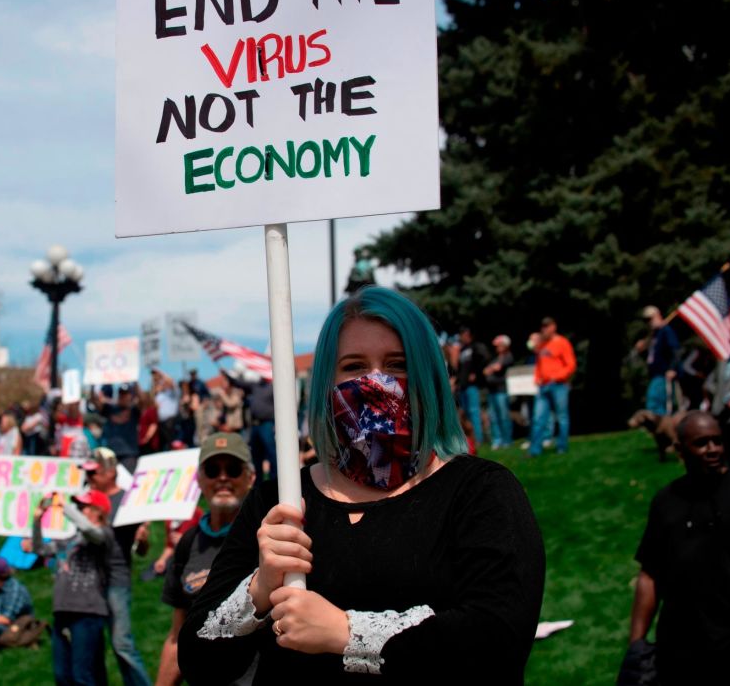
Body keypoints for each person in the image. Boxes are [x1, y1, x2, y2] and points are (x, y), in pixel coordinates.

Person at [178, 286, 545, 683]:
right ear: (326, 383)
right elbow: (200, 661)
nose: (375, 382)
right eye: (353, 366)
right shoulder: (279, 500)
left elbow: (498, 645)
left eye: (397, 365)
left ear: (427, 378)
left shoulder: (480, 491)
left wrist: (344, 632)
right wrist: (260, 587)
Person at [627, 411, 730, 683]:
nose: (713, 449)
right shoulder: (666, 502)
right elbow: (650, 573)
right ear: (680, 449)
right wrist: (637, 645)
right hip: (681, 646)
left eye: (717, 441)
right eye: (702, 443)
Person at [157, 432, 256, 686]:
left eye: (233, 469)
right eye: (212, 470)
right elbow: (177, 637)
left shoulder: (265, 538)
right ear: (199, 480)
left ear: (250, 477)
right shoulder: (188, 543)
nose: (222, 478)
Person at [83, 448, 152, 686]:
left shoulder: (126, 500)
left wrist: (142, 539)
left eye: (94, 473)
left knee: (121, 644)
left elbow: (142, 551)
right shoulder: (86, 498)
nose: (89, 478)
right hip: (89, 580)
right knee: (93, 645)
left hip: (116, 578)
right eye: (88, 474)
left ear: (111, 472)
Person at [32, 489, 115, 686]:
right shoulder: (69, 540)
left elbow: (91, 531)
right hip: (62, 611)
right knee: (62, 675)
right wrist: (37, 520)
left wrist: (65, 507)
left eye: (84, 507)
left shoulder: (105, 535)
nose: (79, 510)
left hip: (87, 612)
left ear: (99, 511)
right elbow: (40, 549)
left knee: (83, 676)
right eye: (78, 506)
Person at [528, 316, 577, 456]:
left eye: (547, 326)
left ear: (553, 327)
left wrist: (558, 376)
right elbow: (539, 364)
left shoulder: (562, 342)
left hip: (559, 385)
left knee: (561, 417)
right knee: (538, 418)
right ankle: (535, 450)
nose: (544, 329)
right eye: (542, 327)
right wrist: (537, 378)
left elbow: (571, 365)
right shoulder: (542, 345)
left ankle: (562, 447)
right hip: (543, 386)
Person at [705, 322, 730, 467]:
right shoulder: (723, 361)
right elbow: (710, 382)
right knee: (725, 461)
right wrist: (718, 393)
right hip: (721, 417)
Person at [637, 306, 680, 414]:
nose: (649, 322)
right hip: (655, 373)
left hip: (663, 373)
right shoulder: (654, 335)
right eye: (647, 320)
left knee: (655, 402)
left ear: (658, 315)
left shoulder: (666, 331)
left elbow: (675, 350)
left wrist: (672, 368)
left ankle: (661, 426)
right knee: (656, 402)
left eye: (651, 318)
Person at [455, 326, 491, 446]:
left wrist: (476, 373)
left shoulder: (476, 346)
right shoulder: (462, 350)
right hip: (463, 386)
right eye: (460, 334)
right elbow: (460, 368)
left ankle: (478, 439)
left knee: (474, 411)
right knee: (466, 413)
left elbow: (485, 359)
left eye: (463, 333)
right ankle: (470, 439)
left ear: (469, 334)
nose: (461, 336)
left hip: (473, 386)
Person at [96, 385, 142, 473]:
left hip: (129, 455)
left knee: (127, 482)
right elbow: (98, 402)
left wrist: (135, 383)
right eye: (121, 393)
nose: (123, 396)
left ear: (130, 395)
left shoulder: (134, 410)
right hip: (111, 454)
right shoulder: (110, 408)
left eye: (126, 394)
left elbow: (142, 400)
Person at [484, 334, 515, 448]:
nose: (497, 347)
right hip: (492, 391)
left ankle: (507, 440)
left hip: (501, 390)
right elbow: (485, 371)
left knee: (503, 416)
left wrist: (492, 368)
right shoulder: (495, 358)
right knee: (493, 417)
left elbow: (498, 368)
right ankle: (498, 440)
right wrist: (492, 368)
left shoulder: (508, 357)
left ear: (505, 345)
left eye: (499, 345)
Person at [247, 378, 276, 486]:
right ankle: (258, 483)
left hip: (267, 424)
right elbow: (239, 383)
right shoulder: (255, 386)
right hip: (255, 425)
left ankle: (275, 481)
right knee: (256, 455)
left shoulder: (272, 386)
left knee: (271, 453)